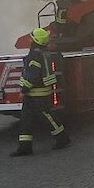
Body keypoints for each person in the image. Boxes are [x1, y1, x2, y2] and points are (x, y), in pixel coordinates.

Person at [11, 28, 71, 156]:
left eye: (31, 37)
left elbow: (33, 75)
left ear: (35, 41)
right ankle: (25, 147)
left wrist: (24, 89)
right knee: (25, 120)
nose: (29, 39)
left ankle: (62, 138)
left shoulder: (35, 55)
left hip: (37, 93)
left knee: (47, 118)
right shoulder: (42, 53)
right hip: (35, 93)